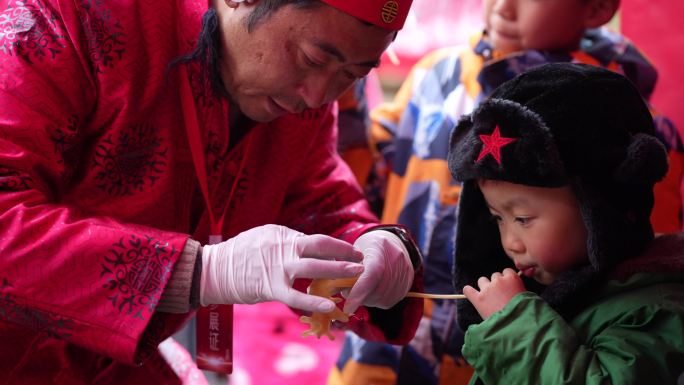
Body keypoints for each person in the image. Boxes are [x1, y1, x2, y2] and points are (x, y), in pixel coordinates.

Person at [0, 0, 426, 383]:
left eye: (351, 75)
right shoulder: (68, 15)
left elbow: (314, 207)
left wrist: (375, 249)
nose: (317, 97)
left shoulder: (300, 102)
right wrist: (199, 272)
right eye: (313, 58)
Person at [329, 0, 684, 384]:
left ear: (597, 8)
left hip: (496, 346)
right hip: (397, 345)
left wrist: (512, 320)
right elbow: (367, 176)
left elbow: (632, 264)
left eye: (524, 218)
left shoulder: (620, 124)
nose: (503, 7)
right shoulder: (437, 76)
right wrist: (340, 88)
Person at [447, 62, 684, 384]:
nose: (510, 243)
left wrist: (513, 326)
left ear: (601, 211)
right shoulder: (551, 291)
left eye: (523, 219)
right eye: (497, 218)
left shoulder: (655, 313)